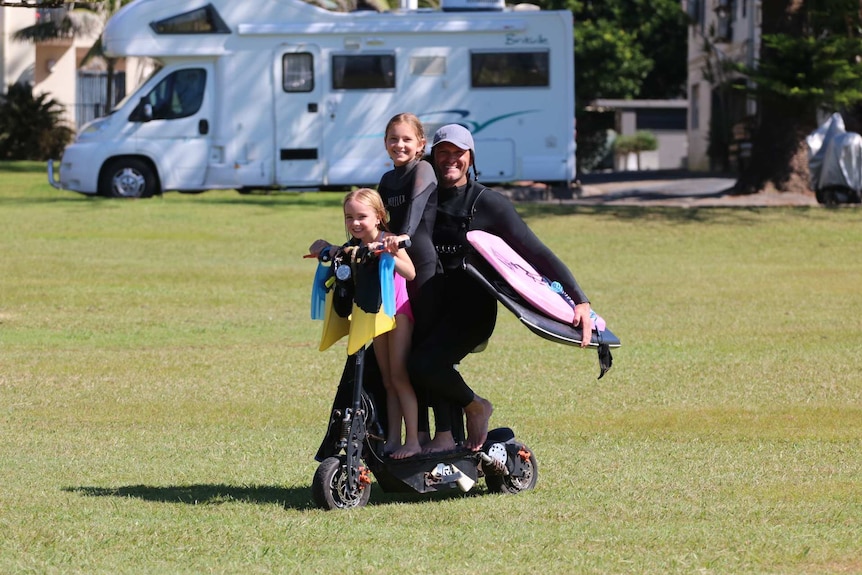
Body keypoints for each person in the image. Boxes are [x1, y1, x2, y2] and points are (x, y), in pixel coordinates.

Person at [406, 124, 595, 451]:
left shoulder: (488, 203)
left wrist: (579, 300)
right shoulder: (422, 199)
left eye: (458, 153)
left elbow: (535, 252)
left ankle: (476, 406)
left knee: (426, 363)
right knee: (414, 363)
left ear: (470, 157)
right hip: (430, 304)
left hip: (471, 311)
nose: (450, 159)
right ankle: (439, 442)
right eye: (443, 152)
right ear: (432, 157)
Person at [376, 113, 462, 453]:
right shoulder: (386, 180)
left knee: (427, 355)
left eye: (406, 140)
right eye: (393, 139)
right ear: (386, 144)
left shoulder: (423, 170)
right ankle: (418, 435)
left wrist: (401, 237)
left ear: (420, 145)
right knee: (404, 360)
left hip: (423, 271)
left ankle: (444, 432)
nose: (400, 145)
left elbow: (411, 216)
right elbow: (377, 222)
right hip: (397, 273)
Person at [340, 188, 422, 459]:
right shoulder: (357, 247)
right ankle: (393, 439)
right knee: (388, 381)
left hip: (398, 314)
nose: (355, 223)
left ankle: (413, 441)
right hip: (376, 316)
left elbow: (410, 273)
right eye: (349, 217)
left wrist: (391, 253)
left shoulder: (388, 239)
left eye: (362, 216)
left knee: (399, 377)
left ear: (379, 217)